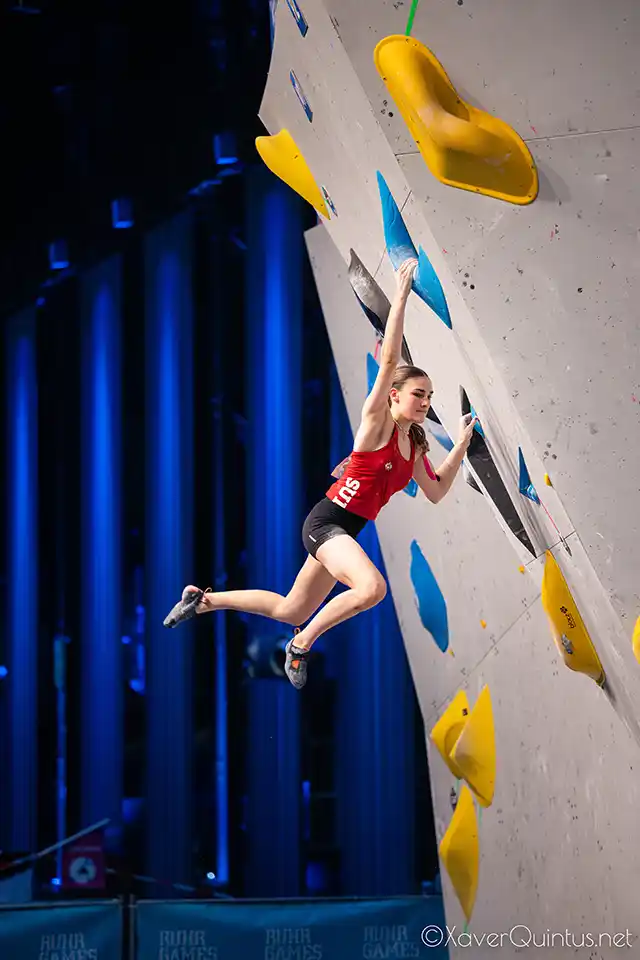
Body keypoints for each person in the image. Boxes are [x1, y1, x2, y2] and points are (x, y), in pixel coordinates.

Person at [163, 258, 477, 689]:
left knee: (291, 608)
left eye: (429, 396)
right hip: (327, 522)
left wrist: (460, 446)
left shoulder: (415, 444)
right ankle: (301, 645)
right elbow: (388, 364)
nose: (424, 402)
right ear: (394, 396)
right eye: (417, 395)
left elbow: (437, 490)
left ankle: (203, 601)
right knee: (372, 589)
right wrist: (401, 296)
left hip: (343, 530)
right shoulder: (376, 425)